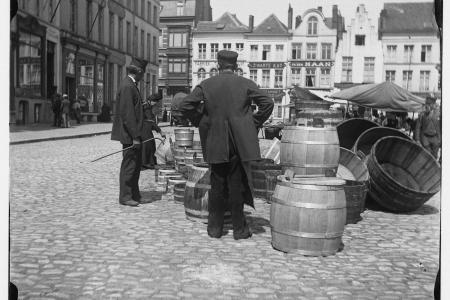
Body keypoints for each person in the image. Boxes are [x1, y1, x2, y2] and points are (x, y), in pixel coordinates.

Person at [178, 50, 274, 240]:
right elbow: (268, 103)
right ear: (236, 66)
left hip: (215, 141)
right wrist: (252, 123)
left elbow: (185, 105)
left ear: (219, 65)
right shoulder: (246, 83)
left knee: (217, 185)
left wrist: (202, 121)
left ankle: (214, 229)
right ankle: (239, 230)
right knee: (236, 185)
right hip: (238, 143)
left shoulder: (206, 84)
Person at [111, 58, 148, 207]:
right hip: (129, 136)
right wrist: (135, 137)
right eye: (143, 73)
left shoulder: (131, 84)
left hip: (133, 134)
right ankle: (125, 197)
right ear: (138, 72)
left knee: (136, 165)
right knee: (129, 165)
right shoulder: (127, 86)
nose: (143, 76)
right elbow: (128, 114)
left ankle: (135, 195)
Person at [142, 93, 166, 169]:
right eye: (155, 102)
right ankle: (146, 163)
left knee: (150, 143)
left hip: (146, 127)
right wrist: (160, 131)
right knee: (148, 143)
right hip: (143, 128)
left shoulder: (147, 106)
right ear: (151, 101)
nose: (155, 104)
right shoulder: (146, 107)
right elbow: (151, 121)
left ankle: (149, 162)